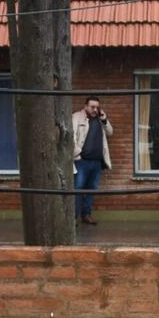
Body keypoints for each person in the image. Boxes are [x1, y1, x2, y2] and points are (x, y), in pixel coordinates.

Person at [72, 96, 113, 225]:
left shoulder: (100, 120)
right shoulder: (76, 117)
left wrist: (105, 120)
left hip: (96, 162)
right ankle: (73, 217)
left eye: (97, 107)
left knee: (91, 189)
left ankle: (86, 215)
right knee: (78, 189)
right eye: (92, 107)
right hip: (82, 161)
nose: (95, 109)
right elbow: (70, 137)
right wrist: (78, 153)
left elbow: (110, 132)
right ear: (85, 106)